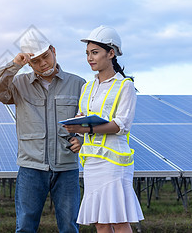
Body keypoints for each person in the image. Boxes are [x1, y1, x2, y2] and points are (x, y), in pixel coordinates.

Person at [0, 29, 86, 233]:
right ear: (28, 63)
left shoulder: (78, 84)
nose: (43, 64)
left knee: (69, 227)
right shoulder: (19, 84)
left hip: (66, 167)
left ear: (54, 51)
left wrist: (81, 138)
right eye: (36, 61)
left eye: (46, 57)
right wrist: (14, 65)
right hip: (31, 166)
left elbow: (87, 120)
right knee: (25, 226)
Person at [63, 25, 144, 233]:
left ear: (111, 53)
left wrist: (86, 130)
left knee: (118, 219)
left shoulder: (125, 86)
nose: (90, 58)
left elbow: (120, 125)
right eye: (88, 53)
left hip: (114, 164)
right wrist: (78, 135)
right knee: (100, 221)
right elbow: (85, 121)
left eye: (95, 52)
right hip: (92, 163)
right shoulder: (87, 87)